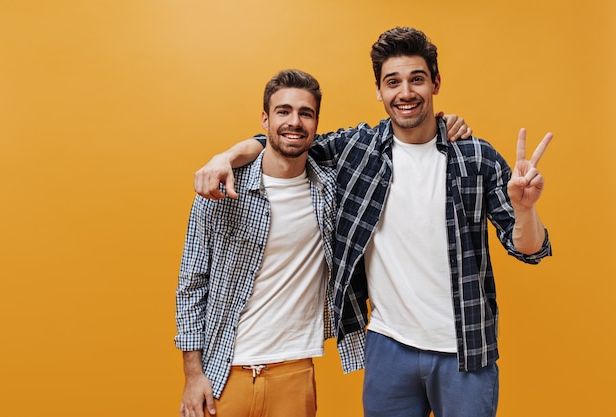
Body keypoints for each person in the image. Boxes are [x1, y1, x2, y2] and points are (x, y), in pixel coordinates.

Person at [193, 27, 553, 417]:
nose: (406, 92)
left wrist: (526, 209)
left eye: (417, 79)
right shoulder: (359, 149)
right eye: (392, 82)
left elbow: (529, 249)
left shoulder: (476, 157)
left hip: (465, 347)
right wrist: (225, 157)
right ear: (379, 91)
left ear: (435, 83)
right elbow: (289, 139)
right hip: (388, 347)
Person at [175, 69, 362, 417]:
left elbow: (390, 138)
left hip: (294, 372)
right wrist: (192, 374)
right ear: (264, 119)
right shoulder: (221, 188)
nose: (294, 122)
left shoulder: (332, 191)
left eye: (305, 113)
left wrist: (446, 124)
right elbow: (191, 284)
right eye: (283, 111)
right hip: (223, 372)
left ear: (317, 123)